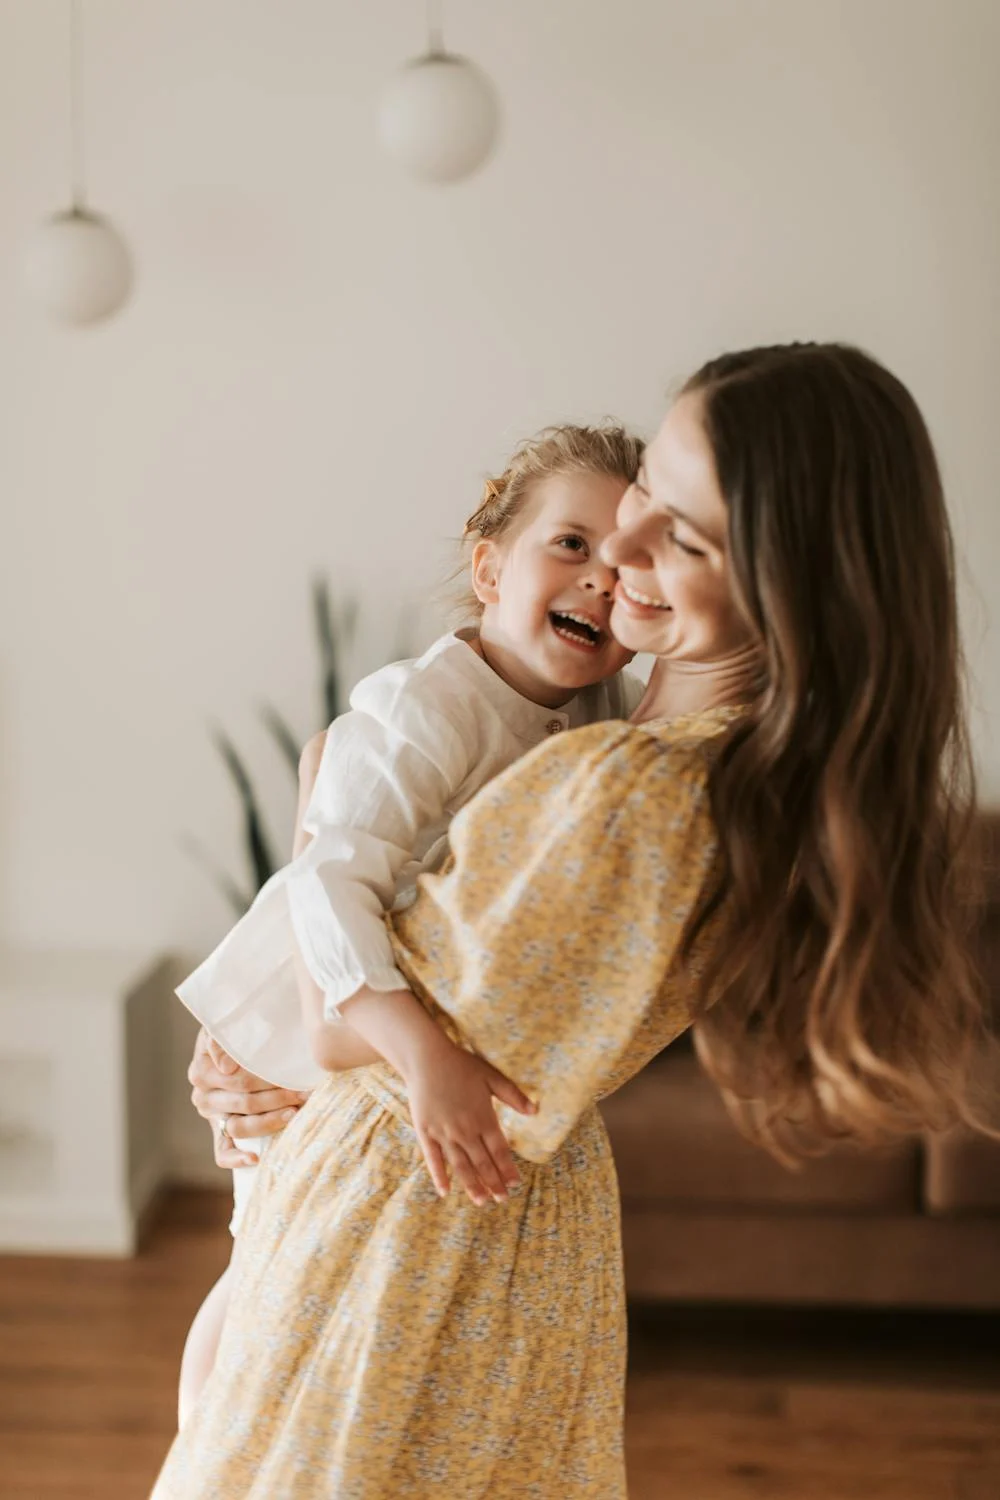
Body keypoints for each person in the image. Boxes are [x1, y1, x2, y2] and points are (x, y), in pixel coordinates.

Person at [163, 343, 991, 1499]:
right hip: (455, 1220)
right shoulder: (649, 756)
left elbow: (342, 1023)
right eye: (648, 484)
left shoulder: (627, 793)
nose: (624, 555)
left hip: (406, 1232)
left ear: (782, 585)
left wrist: (318, 780)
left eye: (684, 538)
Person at [174, 424, 647, 1425]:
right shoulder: (427, 706)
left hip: (365, 1030)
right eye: (570, 545)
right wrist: (423, 1056)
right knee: (264, 1269)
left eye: (623, 562)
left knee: (296, 1284)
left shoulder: (595, 718)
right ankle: (199, 1457)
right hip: (303, 1015)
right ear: (487, 566)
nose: (600, 580)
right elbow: (331, 880)